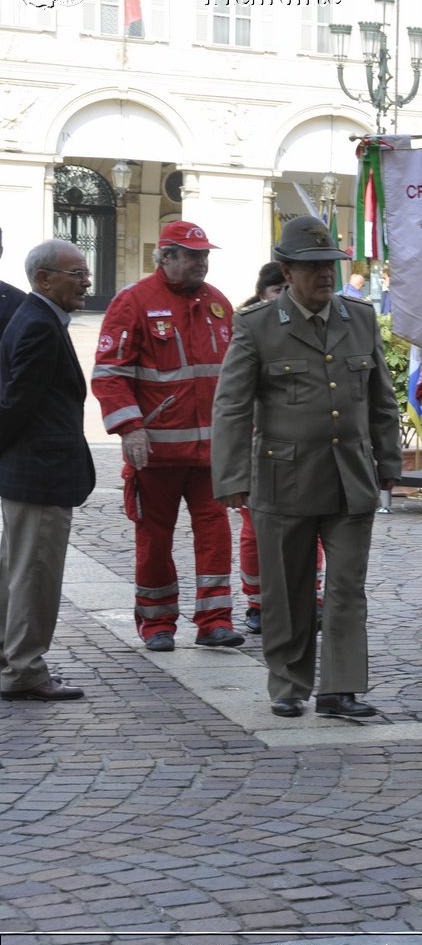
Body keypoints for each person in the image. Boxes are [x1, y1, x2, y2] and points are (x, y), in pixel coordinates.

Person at [212, 216, 401, 719]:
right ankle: (289, 683)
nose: (325, 275)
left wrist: (388, 460)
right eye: (313, 267)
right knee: (288, 587)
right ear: (287, 271)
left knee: (345, 587)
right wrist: (232, 478)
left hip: (350, 476)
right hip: (284, 477)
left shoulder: (358, 319)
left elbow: (381, 398)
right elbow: (231, 406)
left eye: (330, 266)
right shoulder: (256, 326)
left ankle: (339, 689)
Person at [92, 221, 243, 651]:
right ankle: (157, 624)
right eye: (192, 256)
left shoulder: (218, 304)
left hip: (211, 454)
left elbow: (234, 376)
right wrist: (129, 427)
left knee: (215, 536)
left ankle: (215, 620)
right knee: (154, 539)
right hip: (155, 453)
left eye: (204, 255)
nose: (201, 263)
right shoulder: (133, 302)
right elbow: (109, 374)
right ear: (165, 257)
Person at [0, 240, 94, 702]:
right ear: (44, 279)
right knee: (34, 573)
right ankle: (24, 670)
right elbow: (16, 403)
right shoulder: (38, 323)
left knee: (16, 570)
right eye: (76, 273)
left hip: (30, 471)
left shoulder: (37, 317)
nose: (87, 281)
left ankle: (10, 658)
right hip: (39, 473)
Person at [236, 262, 287, 635]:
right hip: (258, 446)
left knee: (310, 527)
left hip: (304, 449)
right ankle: (257, 602)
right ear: (263, 292)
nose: (283, 298)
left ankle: (310, 597)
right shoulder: (248, 327)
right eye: (276, 291)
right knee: (256, 530)